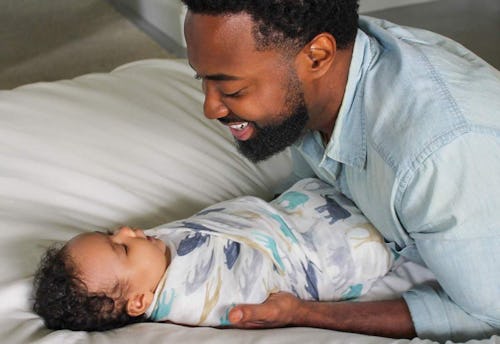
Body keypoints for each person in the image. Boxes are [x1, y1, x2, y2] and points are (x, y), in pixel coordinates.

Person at [180, 0, 500, 342]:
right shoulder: (319, 89)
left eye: (232, 89)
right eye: (203, 79)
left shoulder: (438, 156)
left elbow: (486, 316)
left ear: (317, 57)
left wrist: (302, 313)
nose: (210, 107)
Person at [32, 178, 393, 331]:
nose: (127, 230)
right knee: (372, 233)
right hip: (325, 250)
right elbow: (257, 284)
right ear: (140, 302)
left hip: (299, 209)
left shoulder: (153, 258)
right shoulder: (193, 298)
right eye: (121, 246)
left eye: (111, 233)